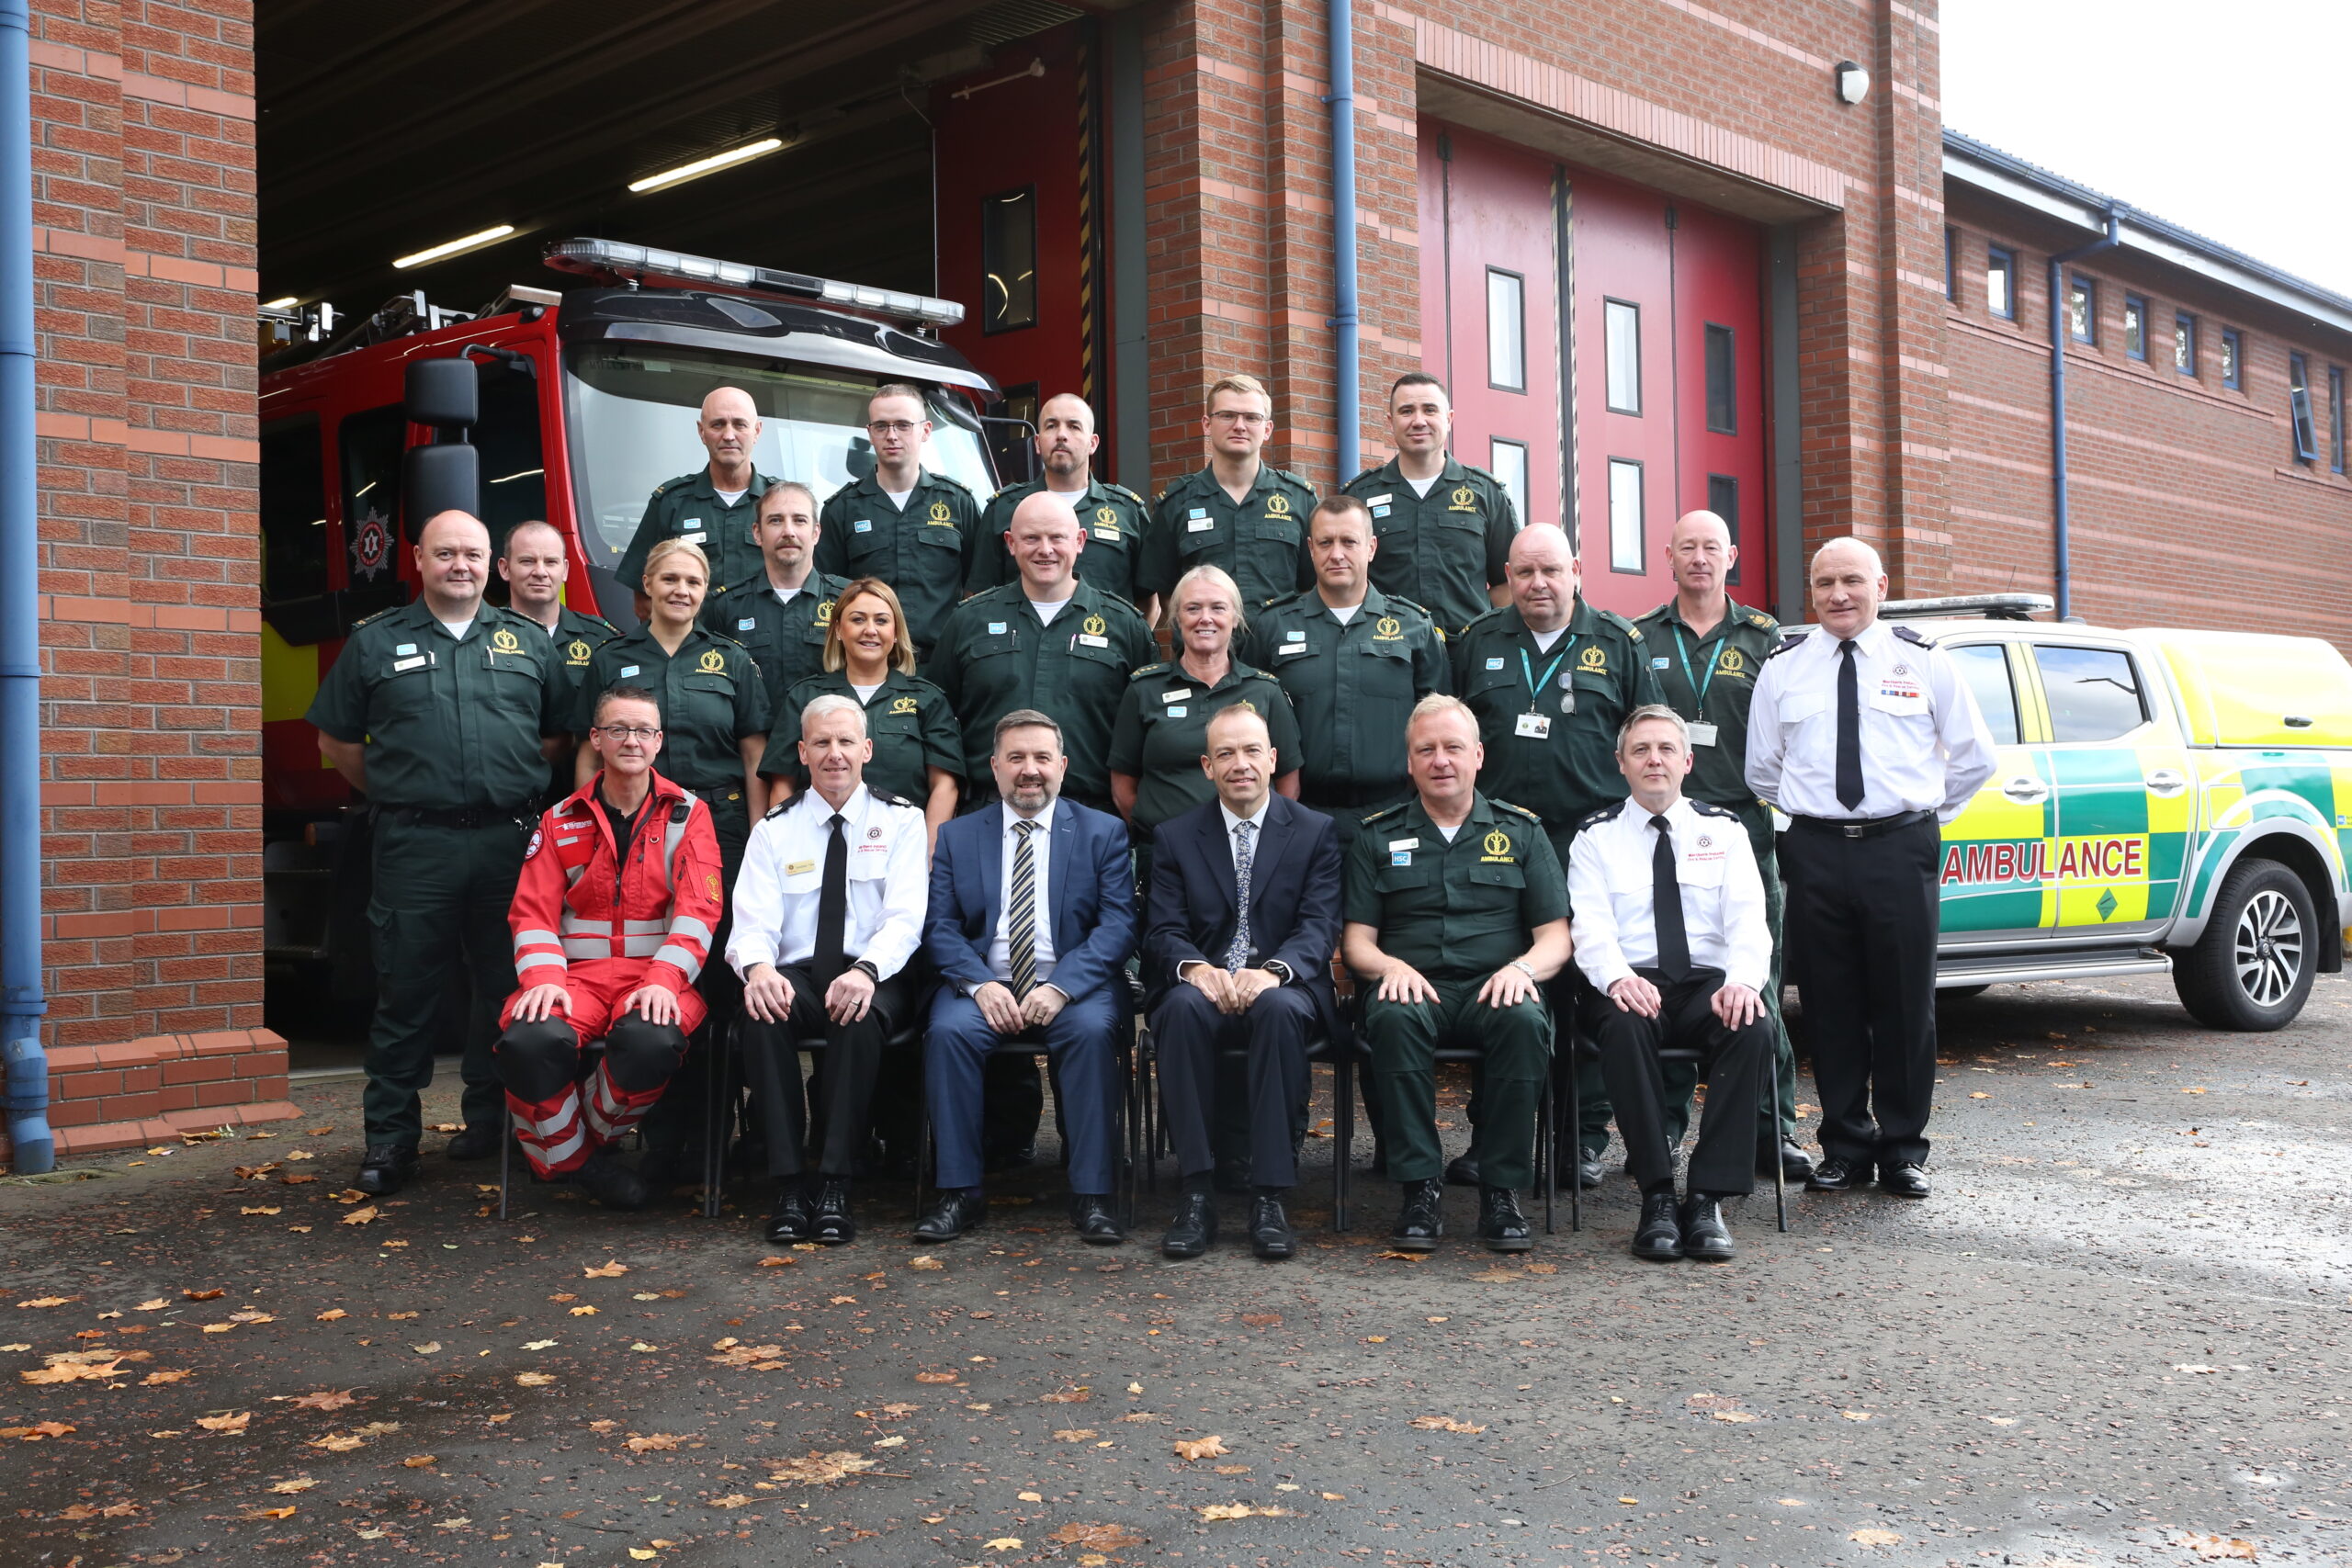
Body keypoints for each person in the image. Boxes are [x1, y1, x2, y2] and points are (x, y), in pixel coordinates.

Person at [305, 510, 571, 1194]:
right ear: (418, 558)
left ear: (494, 565)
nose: (461, 565)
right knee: (406, 992)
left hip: (509, 843)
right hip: (414, 843)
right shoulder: (374, 643)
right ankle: (392, 1139)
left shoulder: (527, 642)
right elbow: (335, 743)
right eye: (446, 552)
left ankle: (494, 1122)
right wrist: (402, 793)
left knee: (507, 990)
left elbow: (553, 739)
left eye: (474, 554)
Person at [1747, 537, 1998, 1201]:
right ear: (1812, 591)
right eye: (1825, 582)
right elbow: (1761, 768)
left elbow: (1974, 755)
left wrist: (1917, 813)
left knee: (1905, 1004)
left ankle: (1904, 1149)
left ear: (1881, 586)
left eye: (1852, 580)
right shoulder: (1784, 667)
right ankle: (1846, 1146)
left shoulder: (1923, 660)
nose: (1838, 594)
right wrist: (1817, 817)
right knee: (1829, 1004)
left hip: (1899, 846)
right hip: (1818, 850)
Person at [1450, 523, 1660, 1189]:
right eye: (1523, 573)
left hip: (1590, 841)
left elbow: (1649, 738)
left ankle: (1582, 1137)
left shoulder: (1620, 644)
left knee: (1589, 986)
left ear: (1576, 567)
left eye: (1550, 570)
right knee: (1500, 981)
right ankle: (1494, 1136)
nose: (1538, 584)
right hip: (1498, 844)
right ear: (1506, 576)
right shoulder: (1478, 641)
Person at [570, 537, 769, 1186]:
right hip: (632, 840)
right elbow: (587, 754)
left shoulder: (731, 660)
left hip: (721, 838)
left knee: (716, 986)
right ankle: (658, 1139)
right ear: (647, 586)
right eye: (669, 578)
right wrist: (584, 826)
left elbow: (754, 756)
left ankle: (713, 1136)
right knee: (649, 983)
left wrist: (762, 840)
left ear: (705, 590)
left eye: (694, 580)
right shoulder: (613, 660)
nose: (682, 589)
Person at [1342, 696, 1569, 1253]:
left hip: (1496, 985)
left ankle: (1501, 1190)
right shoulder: (1375, 836)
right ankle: (1420, 1188)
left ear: (1479, 756)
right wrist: (1389, 967)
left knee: (1524, 1022)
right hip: (1414, 985)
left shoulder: (1521, 834)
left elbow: (1556, 937)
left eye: (1453, 748)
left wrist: (1523, 970)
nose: (1441, 760)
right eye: (1427, 750)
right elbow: (1356, 942)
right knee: (1392, 1019)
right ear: (1410, 762)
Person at [494, 684, 722, 1211]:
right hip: (573, 980)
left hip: (655, 978)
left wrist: (665, 980)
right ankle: (586, 1165)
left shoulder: (690, 816)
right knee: (528, 1043)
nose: (631, 740)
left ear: (659, 741)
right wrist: (544, 982)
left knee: (650, 1043)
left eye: (643, 730)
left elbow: (699, 910)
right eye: (618, 729)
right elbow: (532, 915)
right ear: (596, 739)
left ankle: (566, 1151)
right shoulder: (559, 820)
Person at [1633, 510, 1809, 1183]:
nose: (1699, 558)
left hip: (1742, 830)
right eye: (1687, 548)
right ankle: (1667, 1131)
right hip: (1662, 830)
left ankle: (1773, 1128)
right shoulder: (1639, 637)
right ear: (1667, 555)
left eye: (1711, 547)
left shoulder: (1766, 638)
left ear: (1731, 555)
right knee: (1669, 975)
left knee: (1753, 981)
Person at [915, 712, 1137, 1246]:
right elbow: (939, 926)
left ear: (1062, 765)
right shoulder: (958, 835)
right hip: (983, 985)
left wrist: (1062, 987)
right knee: (947, 1033)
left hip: (1071, 987)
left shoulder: (1101, 831)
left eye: (1041, 758)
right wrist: (979, 984)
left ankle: (1092, 1194)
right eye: (1016, 758)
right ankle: (959, 1192)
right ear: (995, 768)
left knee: (1087, 1033)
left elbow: (1118, 925)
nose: (1029, 770)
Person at [1568, 705, 1774, 1263]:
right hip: (1631, 981)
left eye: (1664, 749)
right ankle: (1656, 1196)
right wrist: (1617, 978)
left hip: (1707, 983)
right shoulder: (1594, 838)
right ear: (1621, 764)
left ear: (1687, 760)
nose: (1653, 760)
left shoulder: (1724, 831)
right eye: (1640, 750)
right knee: (1625, 1023)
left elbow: (1749, 922)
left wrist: (1743, 983)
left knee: (1752, 1025)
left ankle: (1708, 1199)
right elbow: (1589, 927)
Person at [1144, 705, 1342, 1261]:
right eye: (1226, 754)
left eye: (1251, 751)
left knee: (1278, 1011)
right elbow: (1161, 929)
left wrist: (1272, 972)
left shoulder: (1314, 832)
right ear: (1207, 766)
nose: (1240, 764)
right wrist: (1196, 968)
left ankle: (1269, 1194)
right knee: (1178, 1009)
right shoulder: (1176, 836)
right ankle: (1197, 1191)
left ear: (1272, 759)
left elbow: (1320, 924)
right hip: (1202, 984)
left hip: (1284, 983)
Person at [729, 695, 929, 1246]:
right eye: (821, 742)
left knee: (857, 1015)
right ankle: (791, 1185)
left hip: (876, 973)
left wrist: (866, 970)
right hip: (796, 971)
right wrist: (759, 969)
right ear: (802, 752)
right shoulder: (775, 828)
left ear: (866, 749)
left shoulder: (902, 821)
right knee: (761, 1013)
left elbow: (907, 919)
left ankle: (837, 1180)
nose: (834, 754)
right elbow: (751, 919)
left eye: (845, 742)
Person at [1242, 495, 1449, 852]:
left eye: (1349, 541)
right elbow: (1250, 718)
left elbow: (1440, 723)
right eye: (1325, 542)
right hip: (1298, 814)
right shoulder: (1273, 627)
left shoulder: (1414, 627)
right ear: (1310, 548)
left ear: (1370, 547)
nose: (1336, 554)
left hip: (1395, 815)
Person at [930, 491, 1156, 816]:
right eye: (1032, 538)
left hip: (1090, 816)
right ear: (1010, 543)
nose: (1045, 549)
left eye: (1057, 538)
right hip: (987, 811)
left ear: (1079, 541)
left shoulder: (1125, 626)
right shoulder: (968, 621)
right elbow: (938, 722)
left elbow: (1145, 733)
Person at [761, 578, 961, 849]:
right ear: (839, 630)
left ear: (896, 632)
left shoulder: (927, 699)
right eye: (857, 620)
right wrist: (787, 848)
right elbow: (782, 783)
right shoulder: (805, 696)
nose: (870, 630)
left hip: (901, 845)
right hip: (816, 843)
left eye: (881, 621)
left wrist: (926, 854)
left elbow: (945, 785)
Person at [1110, 564, 1303, 845]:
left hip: (1249, 851)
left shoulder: (1265, 690)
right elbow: (1122, 786)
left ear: (1235, 618)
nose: (1205, 618)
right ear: (1176, 618)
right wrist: (1164, 835)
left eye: (1218, 608)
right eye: (1193, 608)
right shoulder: (1144, 690)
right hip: (1165, 854)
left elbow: (1289, 781)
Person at [812, 383, 981, 661]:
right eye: (881, 426)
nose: (891, 436)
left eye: (903, 425)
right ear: (870, 433)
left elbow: (977, 591)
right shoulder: (842, 509)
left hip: (942, 664)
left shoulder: (957, 503)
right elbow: (827, 595)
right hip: (870, 664)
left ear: (925, 431)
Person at [1340, 374, 1519, 636]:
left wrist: (1483, 628)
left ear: (1449, 419)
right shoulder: (1360, 496)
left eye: (1430, 410)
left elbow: (1508, 583)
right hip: (1385, 653)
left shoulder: (1486, 494)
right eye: (1406, 411)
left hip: (1467, 656)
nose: (1419, 421)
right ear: (1391, 422)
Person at [1139, 374, 1317, 615]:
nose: (1239, 426)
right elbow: (1166, 593)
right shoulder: (1176, 503)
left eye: (1252, 417)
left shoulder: (1299, 500)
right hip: (1204, 649)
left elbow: (1312, 586)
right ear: (1206, 424)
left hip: (1280, 650)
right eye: (1227, 415)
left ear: (1267, 429)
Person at [969, 392, 1153, 618]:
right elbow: (978, 595)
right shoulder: (1004, 509)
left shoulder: (1127, 512)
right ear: (1037, 442)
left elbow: (1147, 602)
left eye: (1074, 427)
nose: (1061, 435)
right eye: (1051, 426)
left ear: (1093, 443)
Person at [702, 480, 850, 716]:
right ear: (757, 533)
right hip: (754, 749)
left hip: (828, 747)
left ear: (816, 533)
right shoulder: (726, 607)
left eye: (800, 520)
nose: (788, 531)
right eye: (775, 520)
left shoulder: (849, 601)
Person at [497, 520, 619, 808]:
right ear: (504, 568)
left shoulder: (601, 640)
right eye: (527, 561)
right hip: (503, 801)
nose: (540, 571)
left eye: (550, 562)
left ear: (564, 570)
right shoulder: (480, 638)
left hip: (577, 797)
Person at [615, 387, 776, 594]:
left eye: (739, 424)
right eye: (718, 425)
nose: (728, 435)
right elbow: (643, 599)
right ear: (702, 431)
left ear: (757, 431)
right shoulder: (671, 502)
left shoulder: (780, 503)